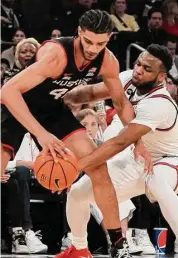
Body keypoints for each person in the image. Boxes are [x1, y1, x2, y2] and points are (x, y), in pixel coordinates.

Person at [1, 9, 151, 258]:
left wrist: (139, 141)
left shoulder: (108, 61)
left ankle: (118, 243)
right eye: (89, 41)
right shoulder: (56, 56)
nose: (93, 48)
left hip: (52, 110)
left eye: (100, 43)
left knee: (98, 166)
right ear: (79, 32)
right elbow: (7, 91)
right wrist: (41, 134)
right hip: (15, 106)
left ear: (110, 38)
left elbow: (121, 103)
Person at [62, 44, 178, 257]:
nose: (138, 70)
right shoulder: (128, 79)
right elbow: (91, 92)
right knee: (78, 192)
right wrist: (63, 95)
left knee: (156, 181)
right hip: (136, 159)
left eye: (147, 69)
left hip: (168, 159)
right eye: (138, 64)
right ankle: (78, 248)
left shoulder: (159, 104)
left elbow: (120, 142)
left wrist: (75, 167)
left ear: (161, 77)